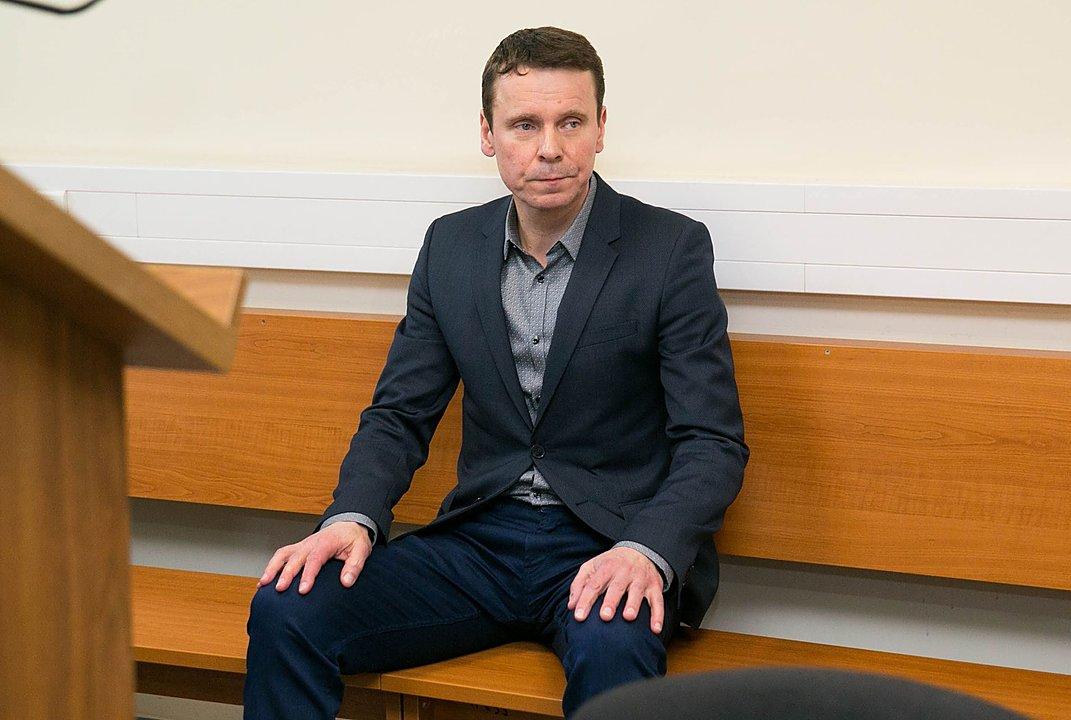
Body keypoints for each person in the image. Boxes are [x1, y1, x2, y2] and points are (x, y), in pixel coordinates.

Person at [243, 26, 749, 720]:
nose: (550, 147)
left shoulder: (670, 249)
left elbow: (712, 443)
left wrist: (647, 550)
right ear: (488, 133)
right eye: (524, 124)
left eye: (571, 122)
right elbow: (399, 415)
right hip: (478, 543)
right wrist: (353, 517)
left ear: (601, 127)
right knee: (287, 607)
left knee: (615, 654)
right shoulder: (450, 245)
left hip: (608, 543)